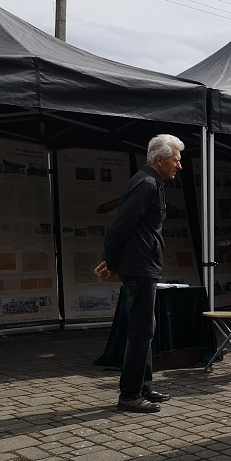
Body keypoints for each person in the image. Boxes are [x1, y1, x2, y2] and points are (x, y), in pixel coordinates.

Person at [95, 134, 183, 413]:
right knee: (140, 331)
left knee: (147, 329)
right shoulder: (146, 183)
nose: (179, 166)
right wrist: (110, 261)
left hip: (144, 265)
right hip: (140, 267)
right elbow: (120, 227)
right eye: (176, 160)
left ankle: (143, 386)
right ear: (160, 160)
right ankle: (130, 394)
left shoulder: (150, 182)